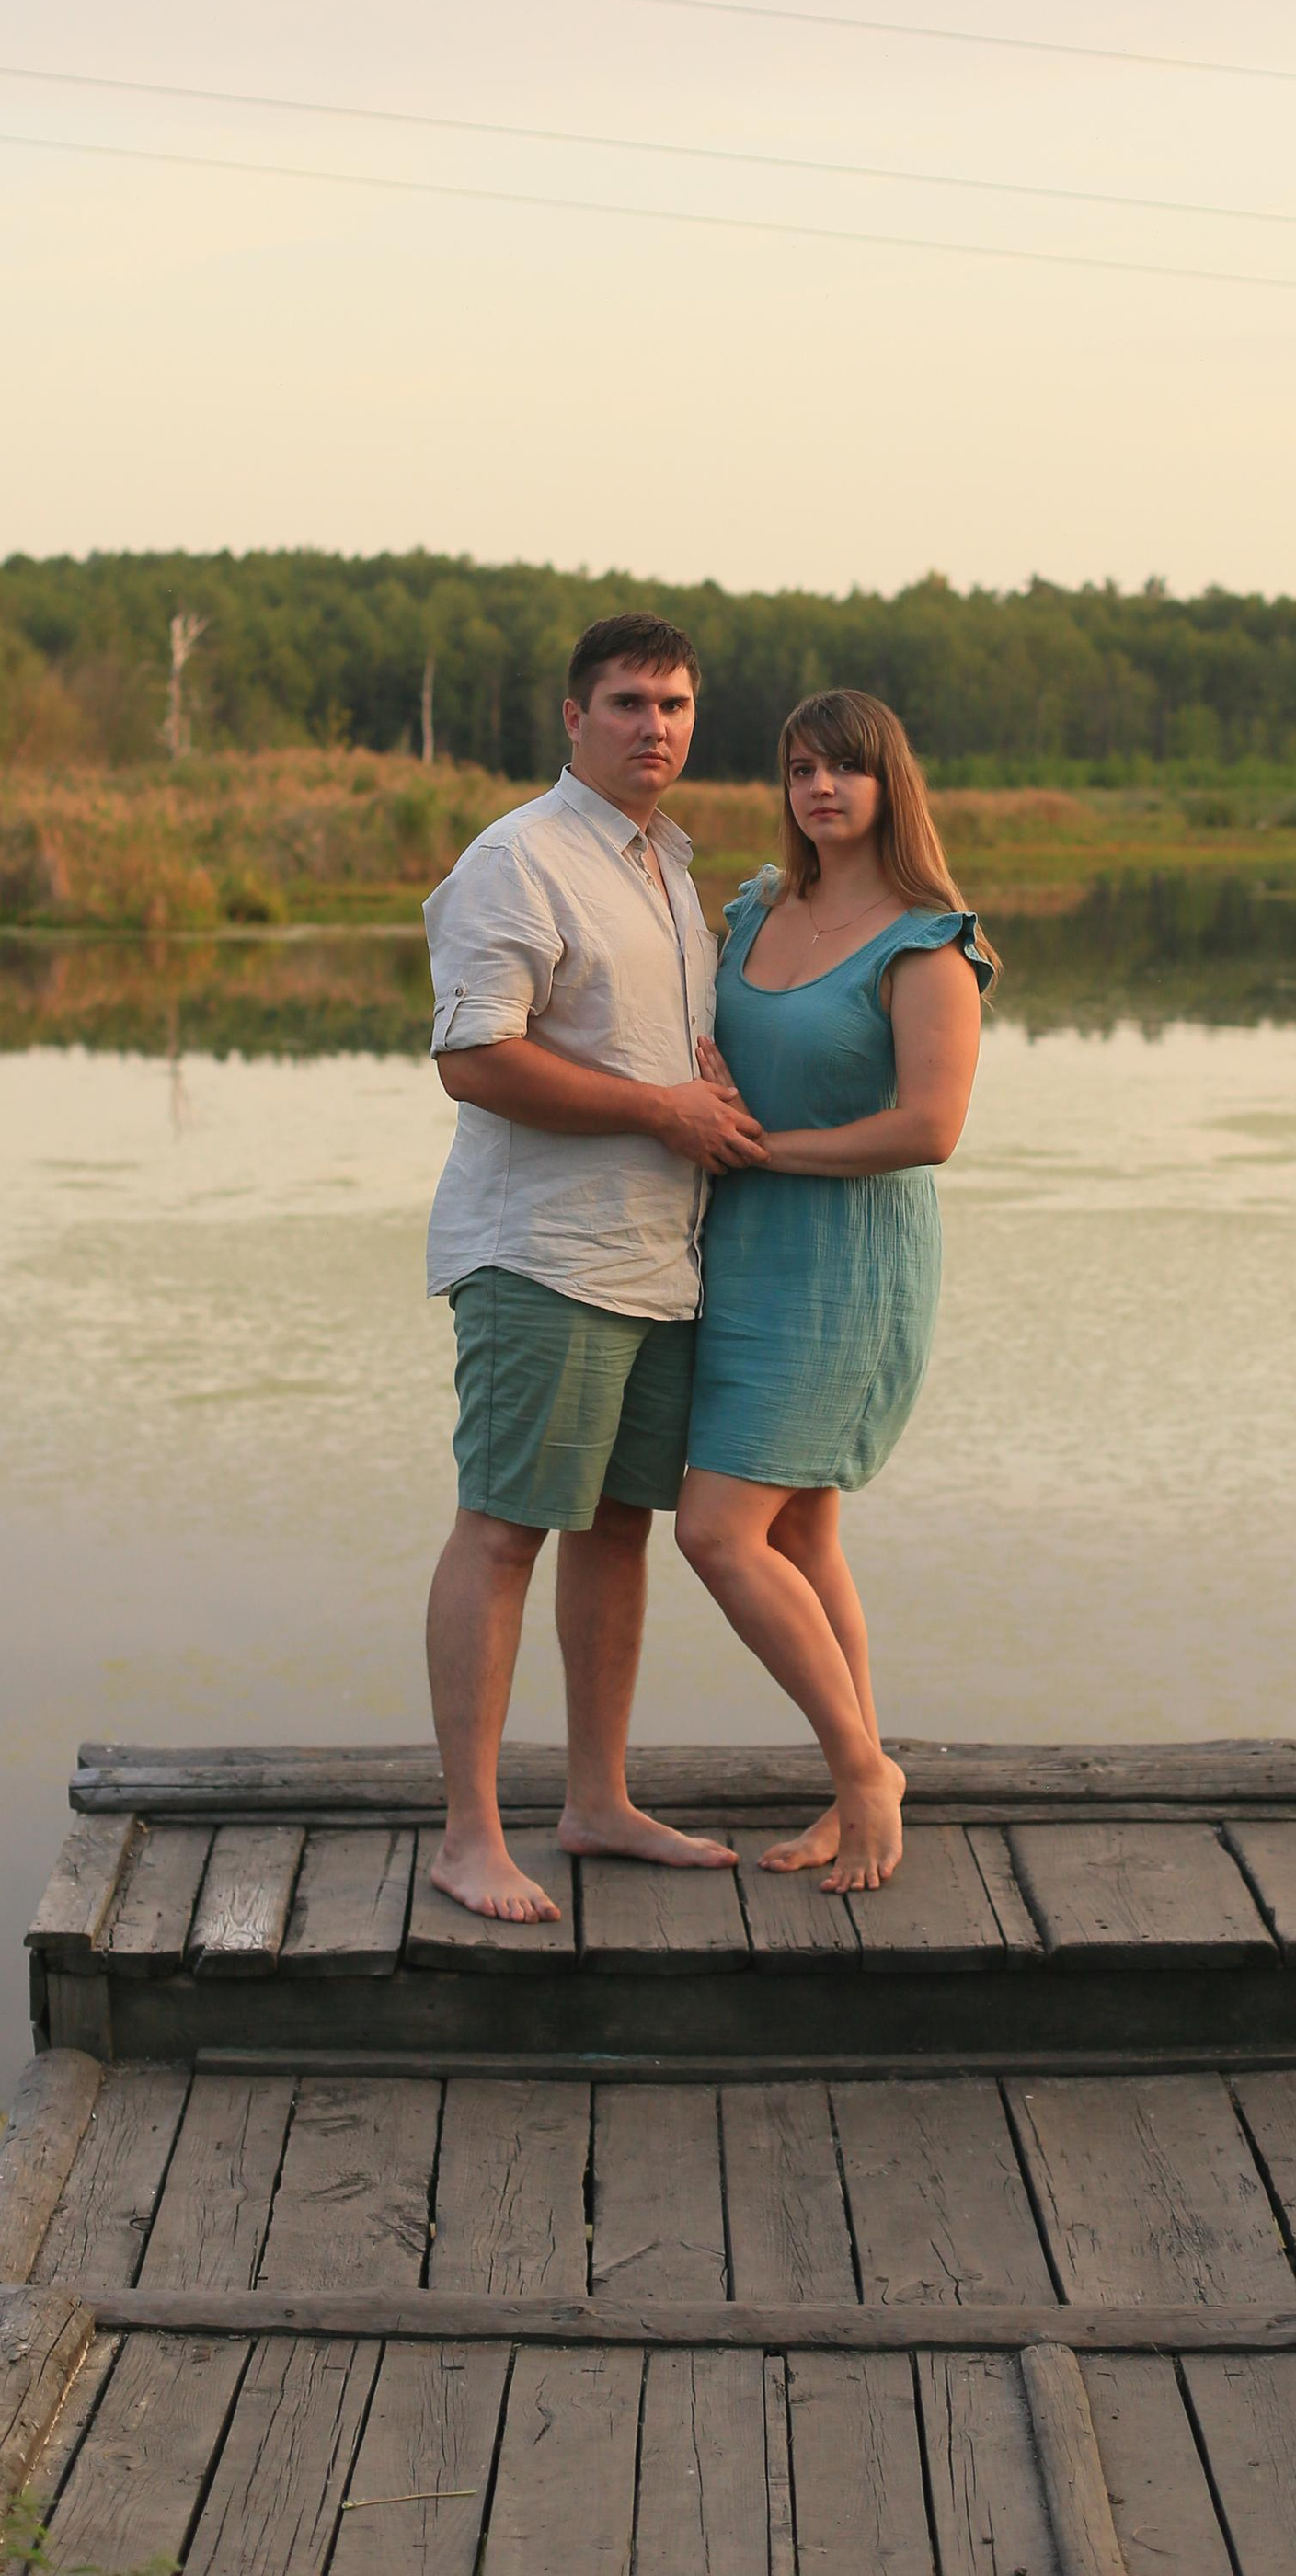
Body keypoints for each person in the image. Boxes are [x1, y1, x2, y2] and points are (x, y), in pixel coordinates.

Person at [419, 613, 763, 1921]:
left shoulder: (666, 868)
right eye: (627, 703)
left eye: (674, 705)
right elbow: (474, 1057)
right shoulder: (520, 860)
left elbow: (650, 1041)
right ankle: (468, 1836)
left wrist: (704, 1080)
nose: (655, 726)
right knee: (505, 1532)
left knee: (618, 1528)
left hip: (655, 1260)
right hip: (544, 1258)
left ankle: (598, 1802)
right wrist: (659, 1109)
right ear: (575, 718)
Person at [676, 690, 992, 1895]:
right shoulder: (763, 905)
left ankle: (867, 1773)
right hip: (744, 1255)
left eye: (847, 770)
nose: (822, 789)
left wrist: (765, 1153)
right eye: (803, 768)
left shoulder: (927, 940)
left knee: (716, 1531)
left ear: (887, 786)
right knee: (802, 1530)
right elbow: (714, 1034)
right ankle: (850, 1772)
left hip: (848, 1271)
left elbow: (932, 1127)